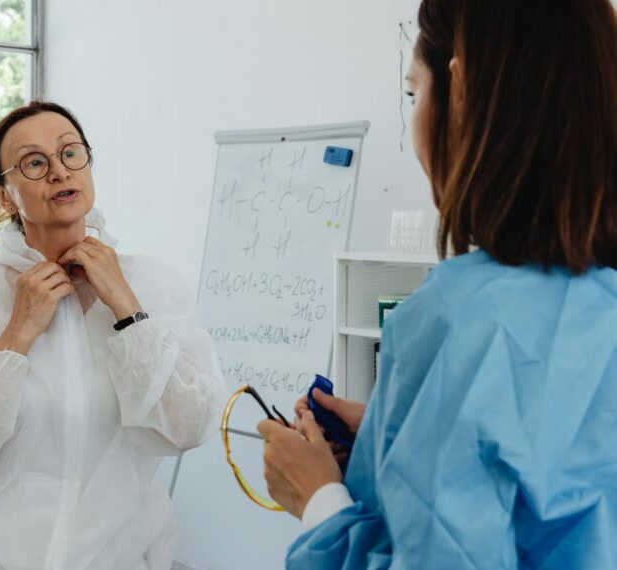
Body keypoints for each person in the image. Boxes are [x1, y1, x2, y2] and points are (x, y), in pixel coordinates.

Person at [258, 0, 617, 567]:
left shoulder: (460, 323)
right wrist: (386, 443)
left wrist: (318, 499)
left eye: (411, 93)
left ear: (463, 90)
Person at [0, 101, 225, 570]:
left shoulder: (151, 284)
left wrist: (128, 310)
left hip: (122, 558)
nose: (58, 171)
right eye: (34, 162)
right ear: (5, 195)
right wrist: (17, 333)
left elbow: (189, 426)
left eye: (71, 153)